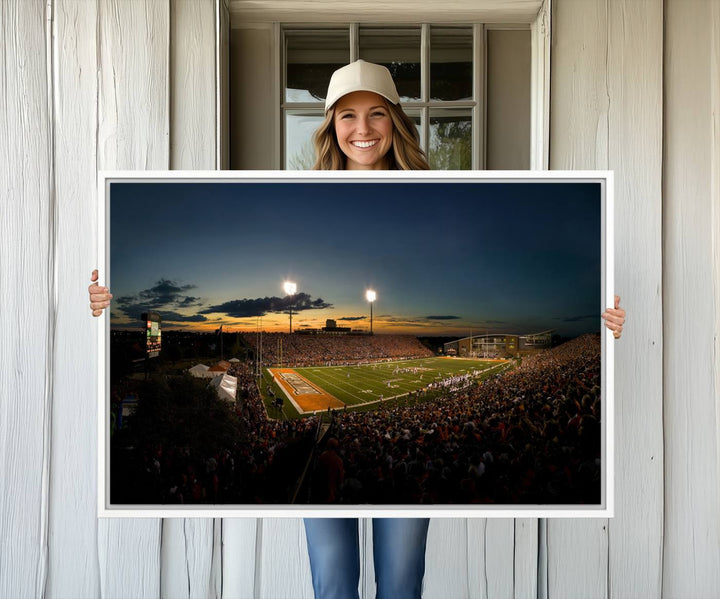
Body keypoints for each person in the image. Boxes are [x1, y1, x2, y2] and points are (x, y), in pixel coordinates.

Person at [88, 59, 627, 599]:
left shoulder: (435, 191)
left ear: (395, 121)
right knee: (333, 581)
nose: (363, 129)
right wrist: (106, 304)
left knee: (400, 581)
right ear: (330, 126)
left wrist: (607, 324)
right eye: (347, 116)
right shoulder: (305, 196)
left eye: (376, 114)